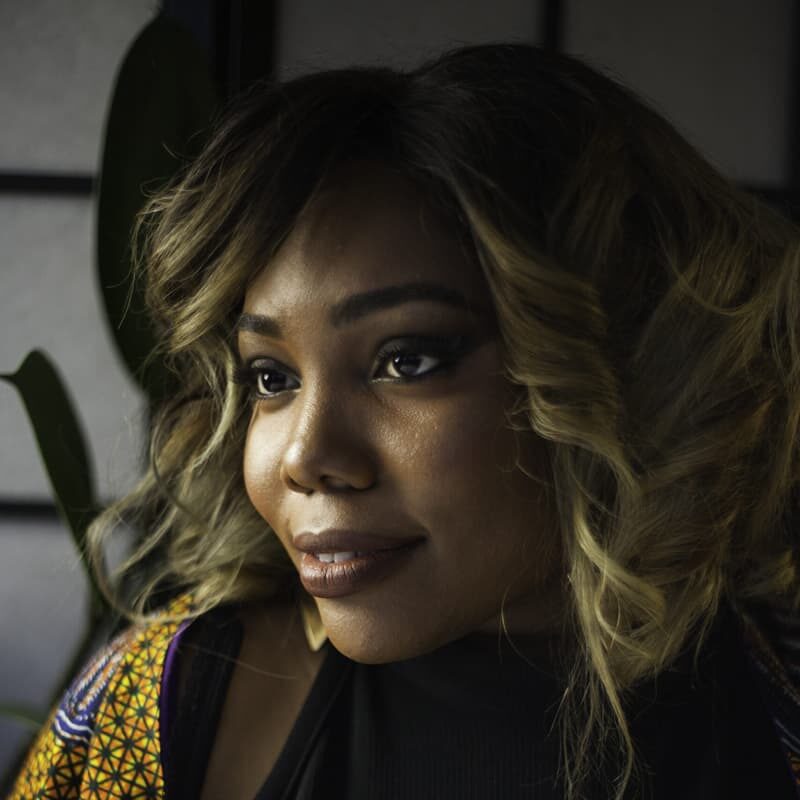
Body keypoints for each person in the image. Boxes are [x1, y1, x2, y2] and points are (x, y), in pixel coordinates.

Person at [8, 42, 800, 800]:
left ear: (627, 361)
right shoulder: (158, 712)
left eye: (407, 360)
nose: (307, 456)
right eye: (271, 377)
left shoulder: (775, 697)